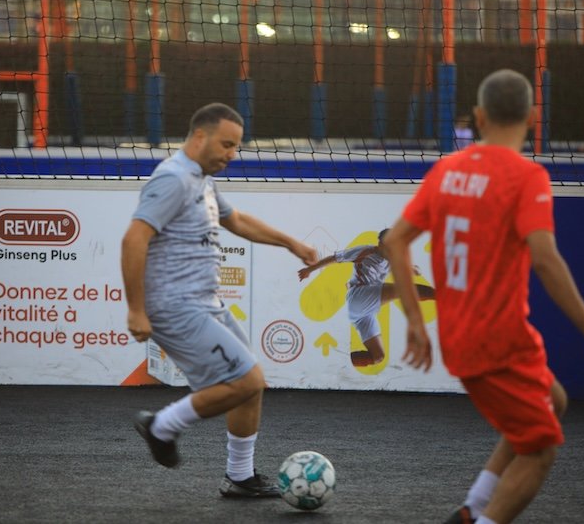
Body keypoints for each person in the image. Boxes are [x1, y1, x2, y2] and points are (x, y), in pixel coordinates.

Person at [383, 69, 584, 524]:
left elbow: (395, 241)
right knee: (540, 449)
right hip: (499, 341)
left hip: (461, 336)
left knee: (553, 400)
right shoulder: (526, 176)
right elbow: (546, 260)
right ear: (533, 117)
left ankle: (473, 508)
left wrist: (415, 321)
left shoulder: (448, 169)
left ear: (478, 117)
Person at [121, 102, 318, 498]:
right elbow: (133, 239)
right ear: (199, 137)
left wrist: (291, 243)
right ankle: (161, 426)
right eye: (227, 145)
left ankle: (239, 477)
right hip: (177, 306)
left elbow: (237, 220)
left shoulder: (201, 180)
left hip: (206, 303)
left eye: (236, 146)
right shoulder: (174, 179)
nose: (232, 154)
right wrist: (136, 309)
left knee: (250, 386)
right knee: (247, 380)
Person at [297, 229, 435, 367]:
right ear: (380, 244)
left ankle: (338, 362)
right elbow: (334, 258)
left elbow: (414, 270)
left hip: (364, 315)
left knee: (378, 356)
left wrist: (412, 269)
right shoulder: (365, 251)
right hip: (358, 297)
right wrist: (310, 269)